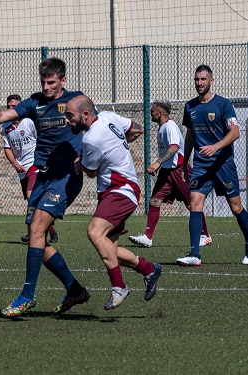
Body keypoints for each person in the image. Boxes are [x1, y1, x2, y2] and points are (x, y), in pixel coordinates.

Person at [0, 57, 90, 317]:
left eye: (51, 82)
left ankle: (26, 296)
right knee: (38, 238)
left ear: (63, 80)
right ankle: (74, 289)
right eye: (43, 82)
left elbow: (94, 127)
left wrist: (86, 156)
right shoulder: (34, 102)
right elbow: (3, 115)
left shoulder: (76, 100)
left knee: (36, 229)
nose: (46, 87)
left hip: (66, 176)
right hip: (42, 176)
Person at [64, 94, 163, 310]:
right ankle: (149, 270)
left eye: (70, 116)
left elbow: (90, 172)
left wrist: (80, 162)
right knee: (111, 249)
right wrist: (116, 146)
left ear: (86, 114)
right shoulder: (109, 116)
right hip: (123, 189)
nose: (67, 120)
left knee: (94, 232)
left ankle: (119, 286)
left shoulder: (90, 139)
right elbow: (137, 128)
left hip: (120, 190)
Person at [177, 65, 248, 267]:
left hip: (223, 163)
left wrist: (216, 147)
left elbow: (235, 132)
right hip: (201, 165)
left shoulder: (223, 104)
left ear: (211, 81)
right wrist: (185, 160)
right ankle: (195, 254)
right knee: (195, 203)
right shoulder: (190, 107)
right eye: (196, 79)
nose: (199, 83)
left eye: (203, 79)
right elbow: (190, 135)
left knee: (236, 206)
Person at [128, 100, 212, 248]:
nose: (150, 114)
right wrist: (161, 166)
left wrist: (157, 163)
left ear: (159, 113)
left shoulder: (170, 126)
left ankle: (205, 235)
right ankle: (147, 237)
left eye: (152, 111)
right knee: (154, 201)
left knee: (192, 204)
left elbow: (174, 147)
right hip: (166, 172)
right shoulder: (162, 128)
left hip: (180, 171)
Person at [0, 94, 58, 244]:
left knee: (31, 196)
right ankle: (51, 230)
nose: (11, 108)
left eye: (14, 106)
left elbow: (42, 140)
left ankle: (33, 232)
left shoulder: (30, 122)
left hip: (34, 164)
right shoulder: (5, 126)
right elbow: (7, 148)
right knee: (32, 200)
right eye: (9, 106)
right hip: (20, 168)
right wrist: (15, 163)